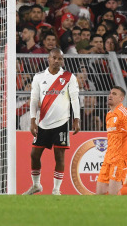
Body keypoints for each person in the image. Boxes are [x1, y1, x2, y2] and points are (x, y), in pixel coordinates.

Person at [23, 48, 81, 195]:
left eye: (60, 59)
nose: (57, 61)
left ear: (63, 60)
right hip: (42, 122)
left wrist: (76, 119)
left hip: (61, 122)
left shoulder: (69, 77)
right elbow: (34, 99)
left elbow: (75, 99)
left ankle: (56, 189)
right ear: (48, 58)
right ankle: (36, 185)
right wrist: (32, 120)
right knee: (34, 154)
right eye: (54, 58)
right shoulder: (38, 77)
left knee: (59, 156)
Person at [96, 86, 127, 195]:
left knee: (114, 194)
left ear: (121, 98)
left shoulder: (125, 112)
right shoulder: (108, 115)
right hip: (108, 157)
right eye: (110, 93)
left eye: (114, 94)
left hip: (120, 158)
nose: (110, 95)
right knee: (100, 192)